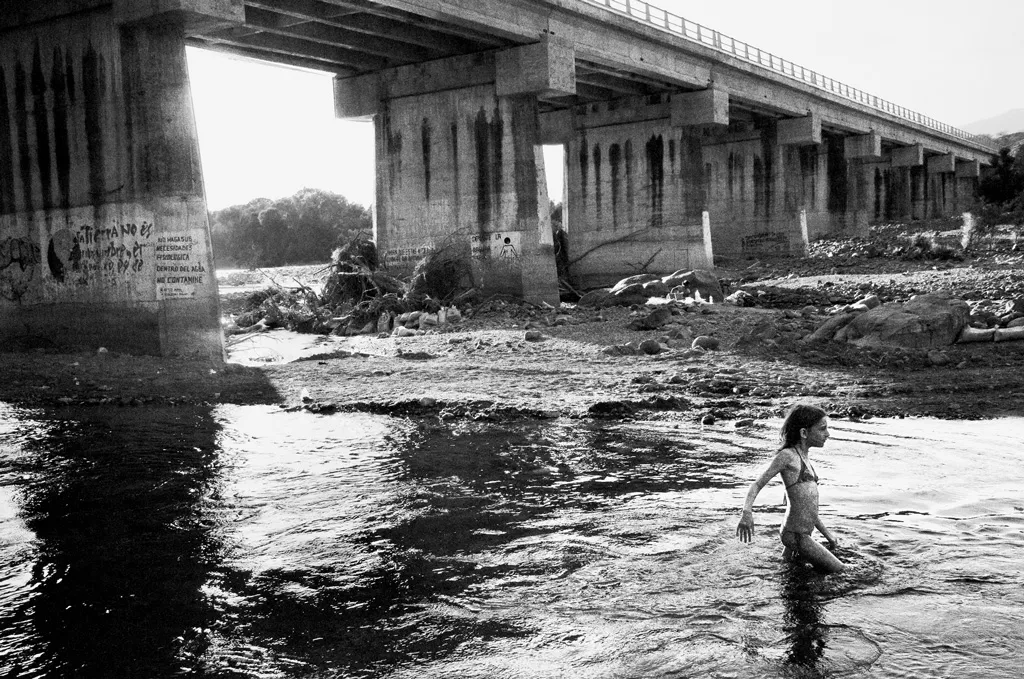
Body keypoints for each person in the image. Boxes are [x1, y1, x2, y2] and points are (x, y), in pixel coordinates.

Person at [736, 404, 845, 573]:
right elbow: (757, 484)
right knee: (841, 570)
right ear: (804, 433)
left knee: (793, 574)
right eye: (822, 429)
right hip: (796, 535)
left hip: (802, 534)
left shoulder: (805, 458)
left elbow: (807, 508)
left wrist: (828, 535)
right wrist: (746, 513)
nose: (828, 434)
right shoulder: (787, 456)